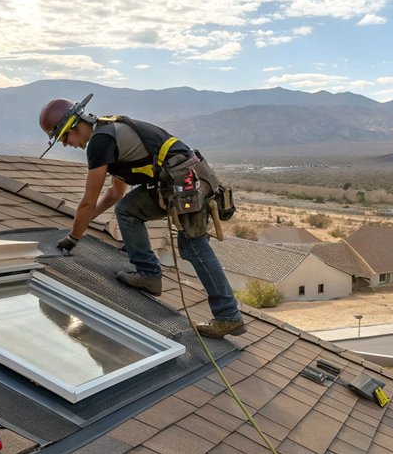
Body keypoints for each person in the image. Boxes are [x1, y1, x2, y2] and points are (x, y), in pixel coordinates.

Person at [38, 96, 246, 339]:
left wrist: (73, 237)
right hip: (182, 177)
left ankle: (227, 315)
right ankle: (149, 275)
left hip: (183, 181)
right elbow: (115, 194)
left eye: (64, 137)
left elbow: (88, 201)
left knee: (193, 246)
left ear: (74, 126)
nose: (66, 144)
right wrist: (81, 225)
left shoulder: (100, 141)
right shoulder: (107, 133)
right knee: (128, 209)